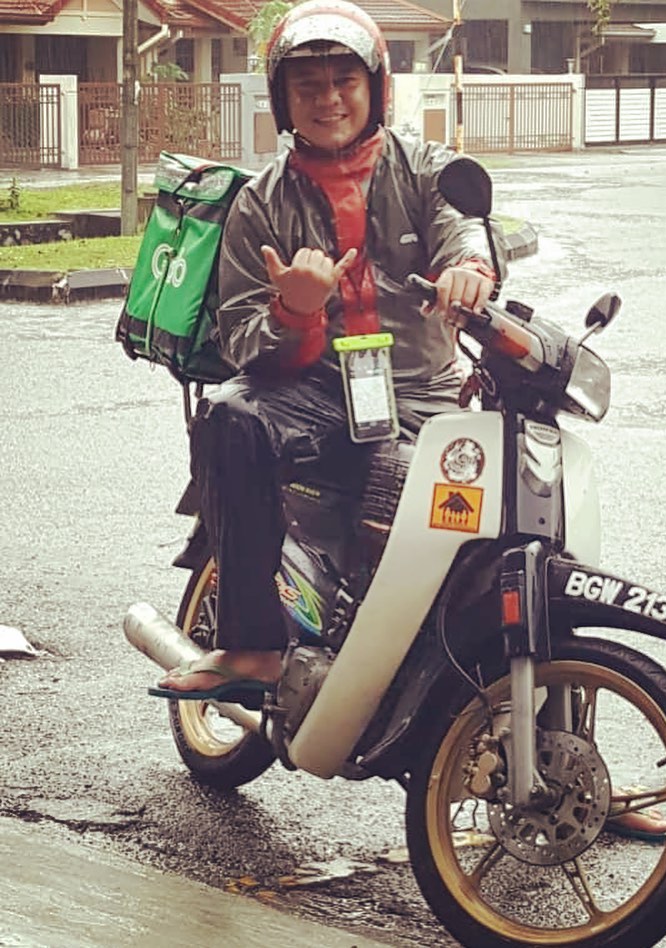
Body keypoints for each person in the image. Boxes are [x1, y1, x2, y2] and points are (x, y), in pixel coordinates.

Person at [151, 0, 497, 701]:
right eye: (308, 84)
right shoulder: (261, 204)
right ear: (283, 98)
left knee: (506, 513)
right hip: (317, 393)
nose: (328, 99)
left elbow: (466, 229)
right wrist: (295, 311)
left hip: (424, 386)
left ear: (376, 88)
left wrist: (471, 270)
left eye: (345, 80)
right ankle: (251, 646)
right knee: (230, 415)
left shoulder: (428, 170)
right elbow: (244, 337)